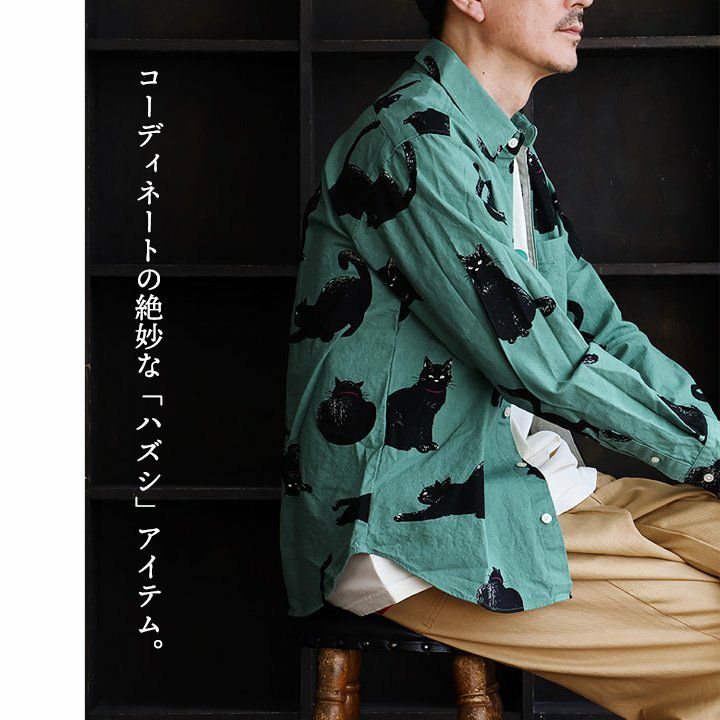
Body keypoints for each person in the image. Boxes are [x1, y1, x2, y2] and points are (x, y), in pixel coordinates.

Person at [279, 1, 720, 717]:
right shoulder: (408, 142)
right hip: (414, 527)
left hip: (535, 483)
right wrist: (705, 456)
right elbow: (542, 359)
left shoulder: (505, 148)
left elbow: (599, 328)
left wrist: (713, 444)